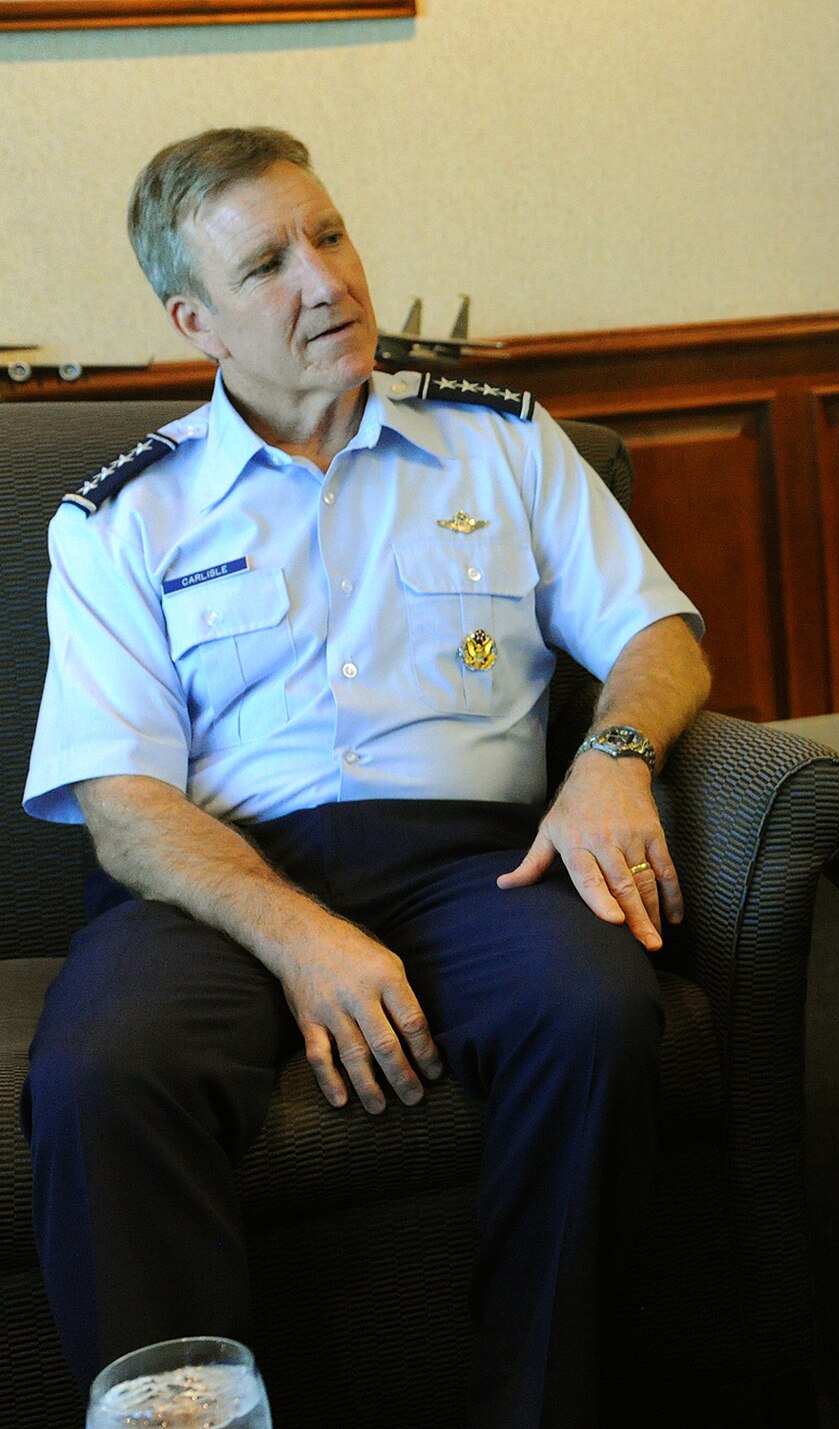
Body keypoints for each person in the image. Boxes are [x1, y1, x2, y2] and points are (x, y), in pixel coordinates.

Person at [19, 128, 710, 1428]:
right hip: (218, 881)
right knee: (102, 1072)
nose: (325, 282)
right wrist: (301, 939)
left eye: (329, 236)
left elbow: (657, 635)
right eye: (268, 264)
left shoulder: (500, 443)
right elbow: (120, 801)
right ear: (194, 318)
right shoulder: (125, 520)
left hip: (471, 857)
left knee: (595, 1011)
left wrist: (616, 759)